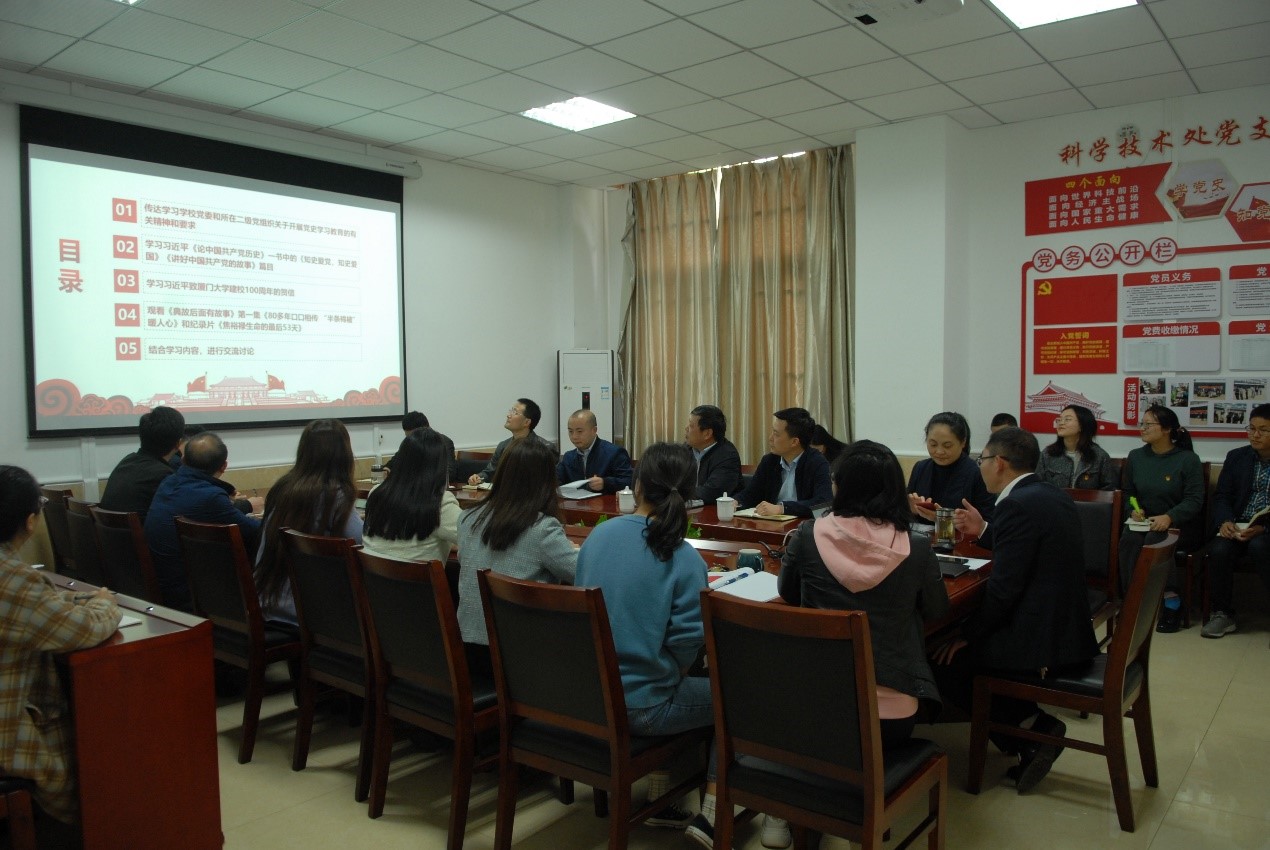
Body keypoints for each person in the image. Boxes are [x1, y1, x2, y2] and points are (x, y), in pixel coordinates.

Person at [938, 427, 1098, 794]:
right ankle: (1027, 729)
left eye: (981, 460)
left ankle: (1033, 731)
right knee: (955, 642)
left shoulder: (1015, 505)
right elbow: (1025, 546)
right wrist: (984, 529)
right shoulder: (1048, 494)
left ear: (999, 463)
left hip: (1041, 637)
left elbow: (1003, 592)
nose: (979, 467)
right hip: (1066, 623)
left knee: (946, 658)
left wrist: (966, 634)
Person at [575, 442, 713, 839]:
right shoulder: (685, 558)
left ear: (636, 486)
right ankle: (715, 811)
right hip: (642, 708)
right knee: (735, 694)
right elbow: (688, 644)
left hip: (589, 697)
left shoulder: (598, 536)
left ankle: (662, 793)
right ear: (689, 494)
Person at [779, 439, 949, 746]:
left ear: (841, 487)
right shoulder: (916, 546)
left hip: (815, 703)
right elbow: (936, 609)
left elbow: (788, 593)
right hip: (892, 717)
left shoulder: (807, 535)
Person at [0, 465, 120, 838]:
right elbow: (83, 629)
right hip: (6, 735)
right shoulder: (13, 580)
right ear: (30, 521)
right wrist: (104, 603)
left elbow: (40, 609)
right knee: (95, 763)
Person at [455, 438, 576, 676]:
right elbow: (582, 571)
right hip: (518, 661)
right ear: (546, 482)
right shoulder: (542, 528)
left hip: (467, 650)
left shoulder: (467, 518)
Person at [255, 419, 364, 626]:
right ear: (344, 455)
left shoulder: (283, 488)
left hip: (268, 603)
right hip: (308, 615)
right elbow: (363, 543)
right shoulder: (335, 495)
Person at [144, 432, 264, 612]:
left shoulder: (167, 483)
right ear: (224, 466)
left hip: (164, 588)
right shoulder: (211, 497)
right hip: (191, 597)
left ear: (183, 459)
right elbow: (258, 532)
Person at [1119, 404, 1203, 633]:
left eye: (1149, 424)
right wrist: (1133, 510)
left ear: (1167, 429)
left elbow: (1195, 499)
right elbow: (1128, 493)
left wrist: (1170, 516)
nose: (1143, 428)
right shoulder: (1136, 456)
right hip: (1143, 523)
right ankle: (1132, 600)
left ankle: (1171, 600)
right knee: (1129, 539)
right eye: (1142, 424)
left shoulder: (1188, 459)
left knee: (1156, 538)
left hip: (1178, 525)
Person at [1200, 403, 1270, 639]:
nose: (1255, 435)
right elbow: (1222, 496)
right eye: (1251, 428)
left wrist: (1263, 528)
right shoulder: (1237, 457)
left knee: (1260, 546)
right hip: (1238, 525)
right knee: (1219, 549)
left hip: (1265, 530)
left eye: (1263, 430)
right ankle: (1223, 614)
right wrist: (1225, 521)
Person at [363, 427, 460, 564]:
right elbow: (475, 540)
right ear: (440, 466)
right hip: (421, 578)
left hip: (372, 576)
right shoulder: (441, 503)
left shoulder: (376, 493)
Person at [735, 407, 832, 517]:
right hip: (771, 523)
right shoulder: (769, 461)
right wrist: (734, 502)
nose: (770, 438)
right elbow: (751, 495)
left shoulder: (817, 463)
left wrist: (783, 508)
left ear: (794, 442)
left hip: (803, 525)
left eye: (776, 434)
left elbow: (823, 504)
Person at [99, 406, 185, 519]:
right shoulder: (163, 475)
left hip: (109, 529)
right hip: (137, 530)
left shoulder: (127, 460)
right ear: (178, 444)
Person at [908, 411, 994, 523]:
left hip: (960, 534)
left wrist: (942, 519)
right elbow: (904, 513)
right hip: (921, 533)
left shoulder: (977, 473)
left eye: (947, 446)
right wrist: (911, 508)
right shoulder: (920, 468)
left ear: (963, 442)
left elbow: (987, 522)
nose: (939, 451)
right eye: (933, 444)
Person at [468, 398, 555, 484]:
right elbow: (489, 473)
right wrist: (478, 478)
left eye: (515, 412)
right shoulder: (503, 446)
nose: (508, 415)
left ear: (527, 422)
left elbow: (548, 481)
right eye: (511, 411)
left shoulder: (545, 448)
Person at [1036, 404, 1119, 490]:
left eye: (1067, 419)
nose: (1061, 423)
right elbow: (1037, 486)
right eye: (1059, 419)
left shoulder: (1100, 456)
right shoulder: (1048, 454)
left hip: (1088, 499)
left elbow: (1109, 491)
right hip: (1054, 499)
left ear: (1082, 425)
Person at [555, 409, 633, 493]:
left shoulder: (614, 453)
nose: (574, 436)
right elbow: (556, 480)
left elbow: (629, 481)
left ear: (594, 430)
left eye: (579, 431)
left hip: (605, 501)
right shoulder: (568, 457)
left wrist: (605, 483)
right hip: (574, 501)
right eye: (570, 431)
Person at [684, 404, 742, 504]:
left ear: (707, 434)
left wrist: (678, 492)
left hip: (716, 511)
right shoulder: (685, 450)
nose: (686, 428)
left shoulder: (727, 456)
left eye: (691, 425)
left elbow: (711, 493)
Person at [400, 410, 456, 481]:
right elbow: (398, 458)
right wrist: (388, 468)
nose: (411, 441)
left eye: (413, 437)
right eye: (408, 437)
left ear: (424, 430)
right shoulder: (410, 443)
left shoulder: (444, 442)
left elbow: (450, 473)